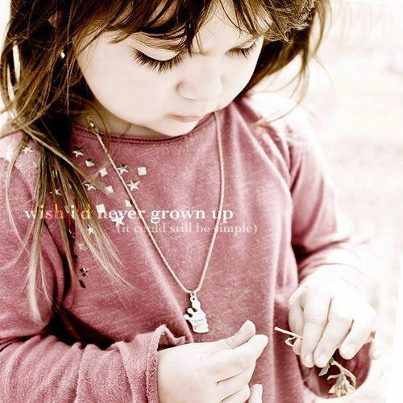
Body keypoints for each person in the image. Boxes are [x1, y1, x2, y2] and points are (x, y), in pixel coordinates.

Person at [0, 0, 377, 402]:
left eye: (242, 47)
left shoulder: (275, 135)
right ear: (61, 17)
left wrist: (335, 290)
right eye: (160, 56)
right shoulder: (23, 181)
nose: (208, 90)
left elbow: (328, 248)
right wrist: (148, 382)